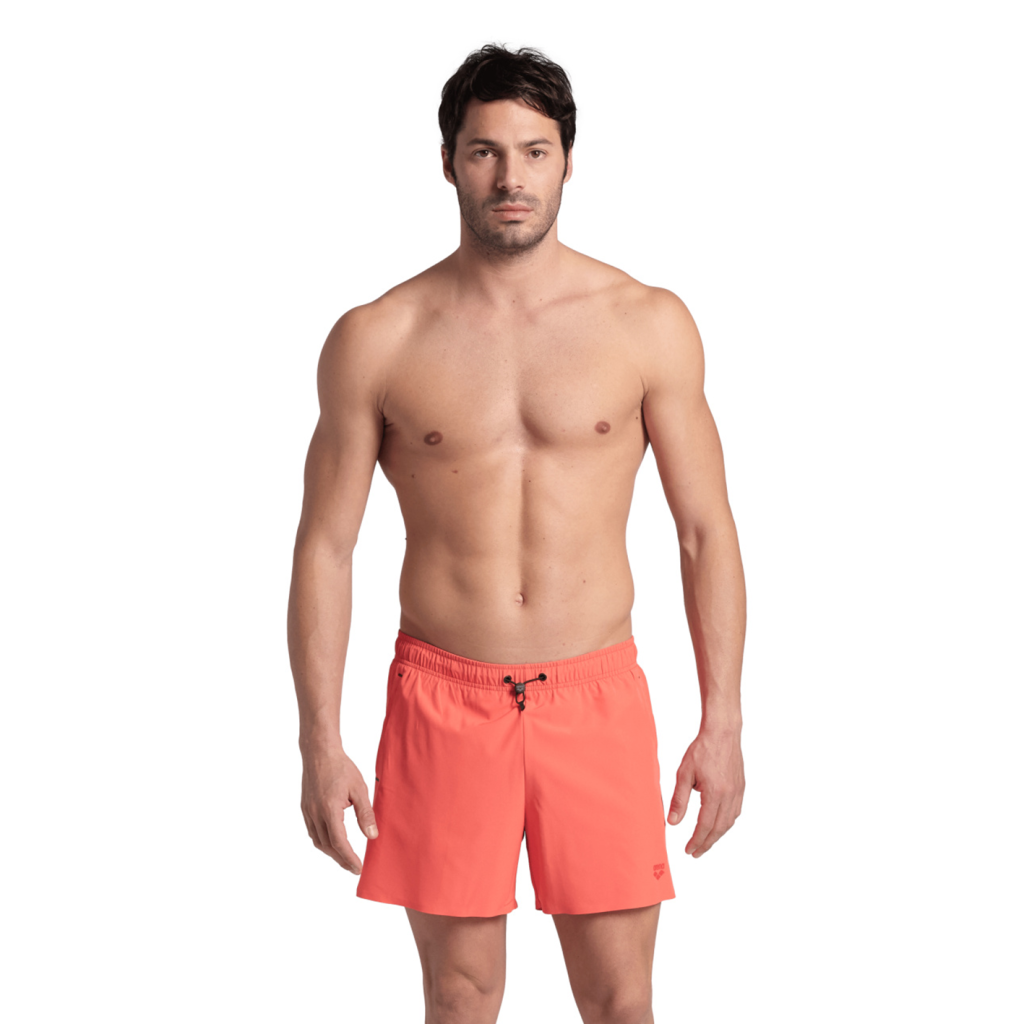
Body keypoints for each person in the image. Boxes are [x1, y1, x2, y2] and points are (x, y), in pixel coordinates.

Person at [287, 43, 746, 1024]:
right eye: (485, 152)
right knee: (459, 999)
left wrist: (723, 723)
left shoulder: (646, 323)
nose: (511, 178)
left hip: (595, 696)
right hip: (442, 697)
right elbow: (325, 547)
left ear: (568, 161)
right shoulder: (378, 337)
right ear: (447, 162)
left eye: (534, 152)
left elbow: (705, 532)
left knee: (620, 1000)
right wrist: (320, 743)